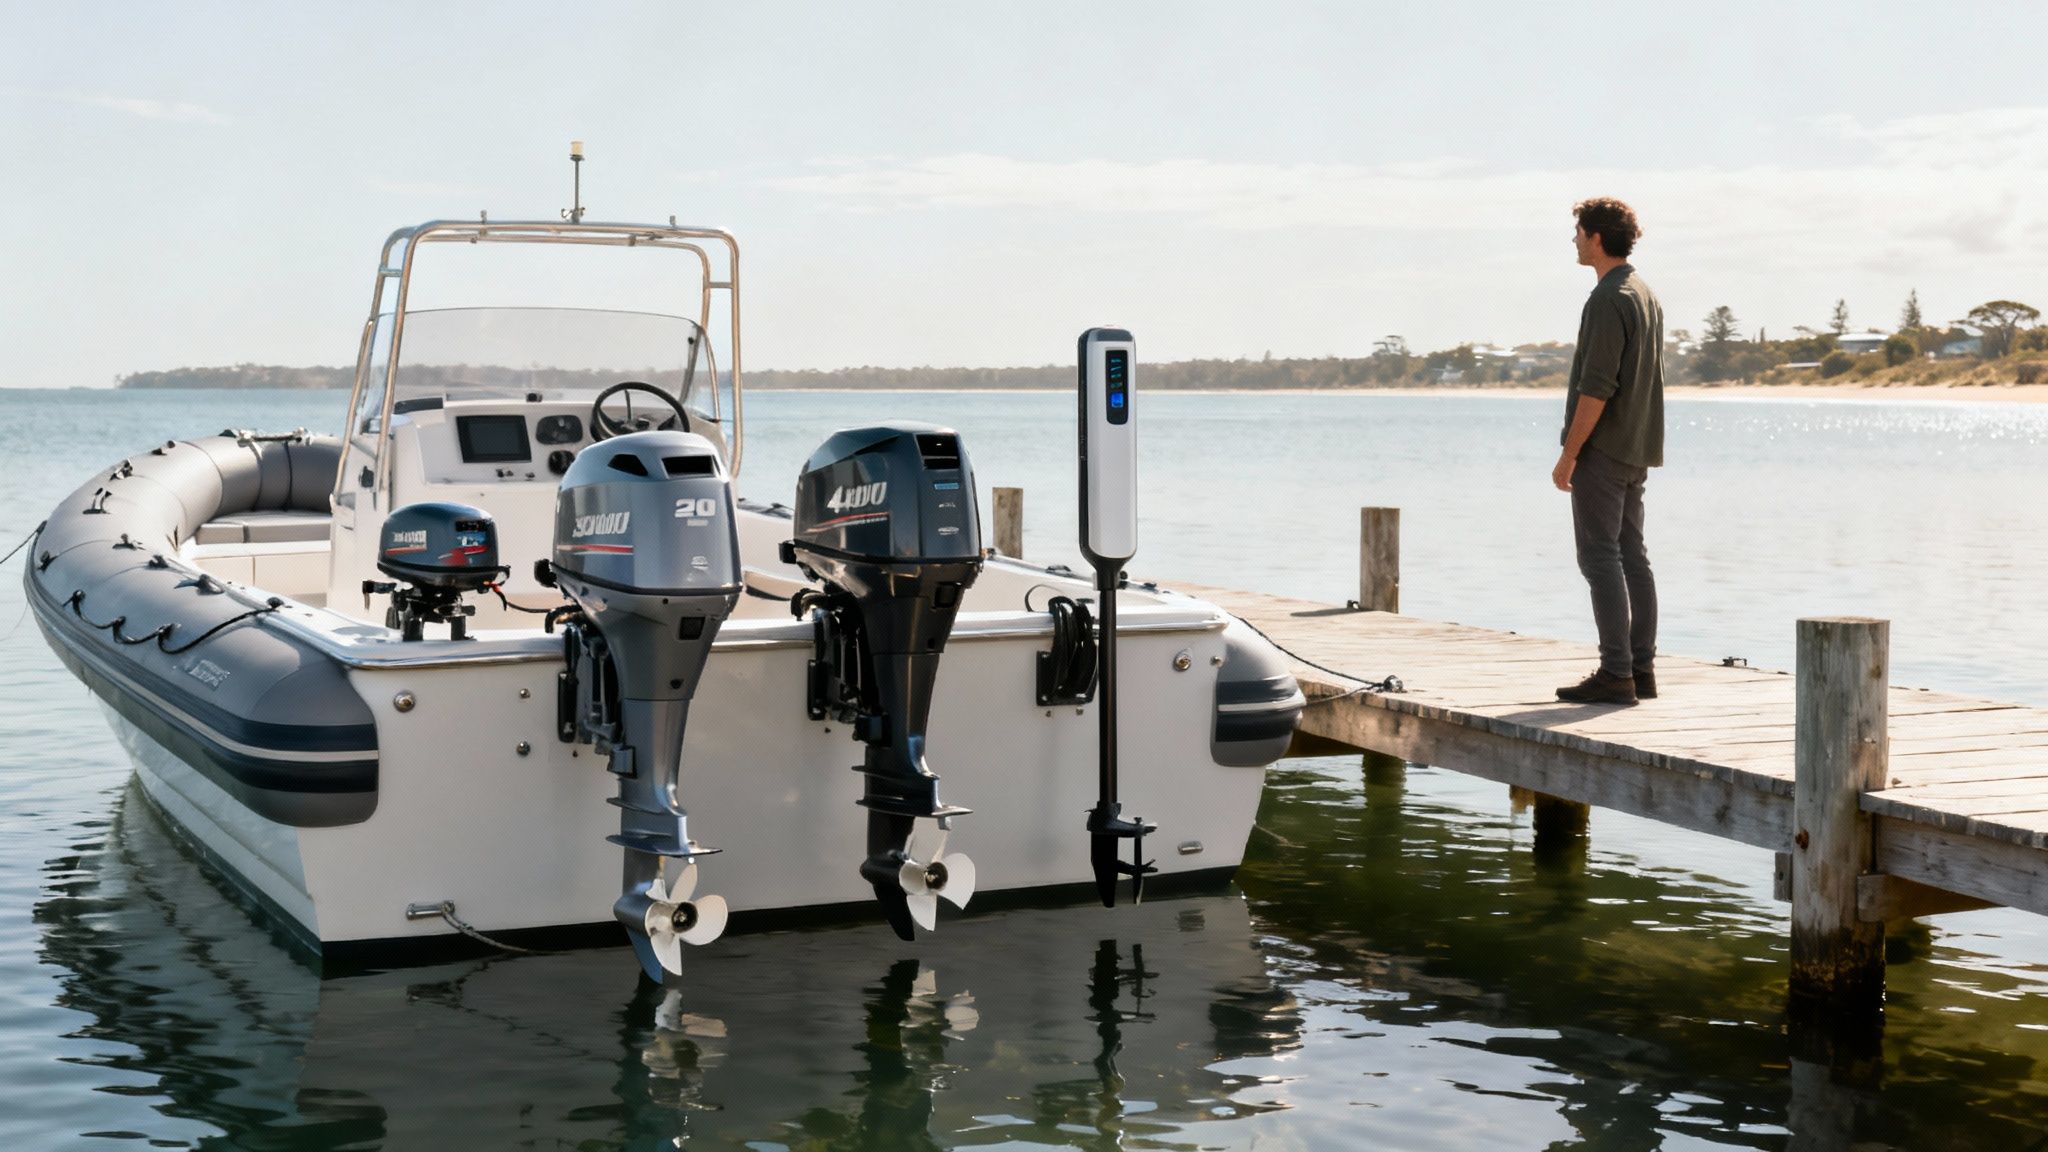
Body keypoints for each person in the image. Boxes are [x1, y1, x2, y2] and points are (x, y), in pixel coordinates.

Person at [1553, 197, 1663, 706]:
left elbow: (1597, 388)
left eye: (1578, 231)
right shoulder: (1644, 293)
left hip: (1604, 448)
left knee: (1599, 558)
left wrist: (1569, 454)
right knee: (1631, 557)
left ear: (1597, 237)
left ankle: (1616, 673)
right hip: (1637, 446)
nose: (1574, 239)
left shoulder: (1607, 297)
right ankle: (1640, 670)